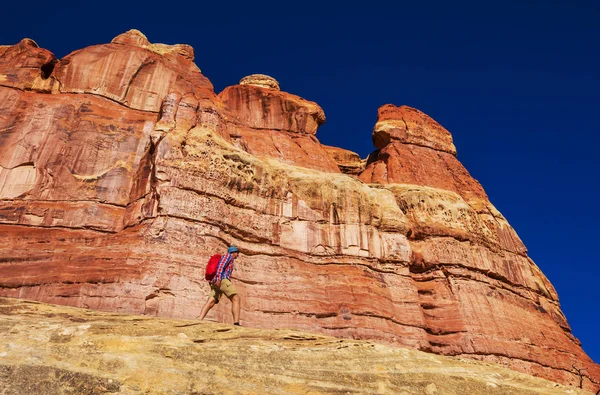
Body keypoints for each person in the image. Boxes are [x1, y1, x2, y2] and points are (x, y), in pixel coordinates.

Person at [198, 246, 241, 325]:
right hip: (222, 280)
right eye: (237, 253)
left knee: (211, 301)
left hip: (215, 282)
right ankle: (236, 323)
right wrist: (218, 278)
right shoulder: (228, 256)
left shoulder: (228, 257)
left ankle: (199, 319)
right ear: (234, 252)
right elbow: (221, 266)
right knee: (236, 299)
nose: (238, 255)